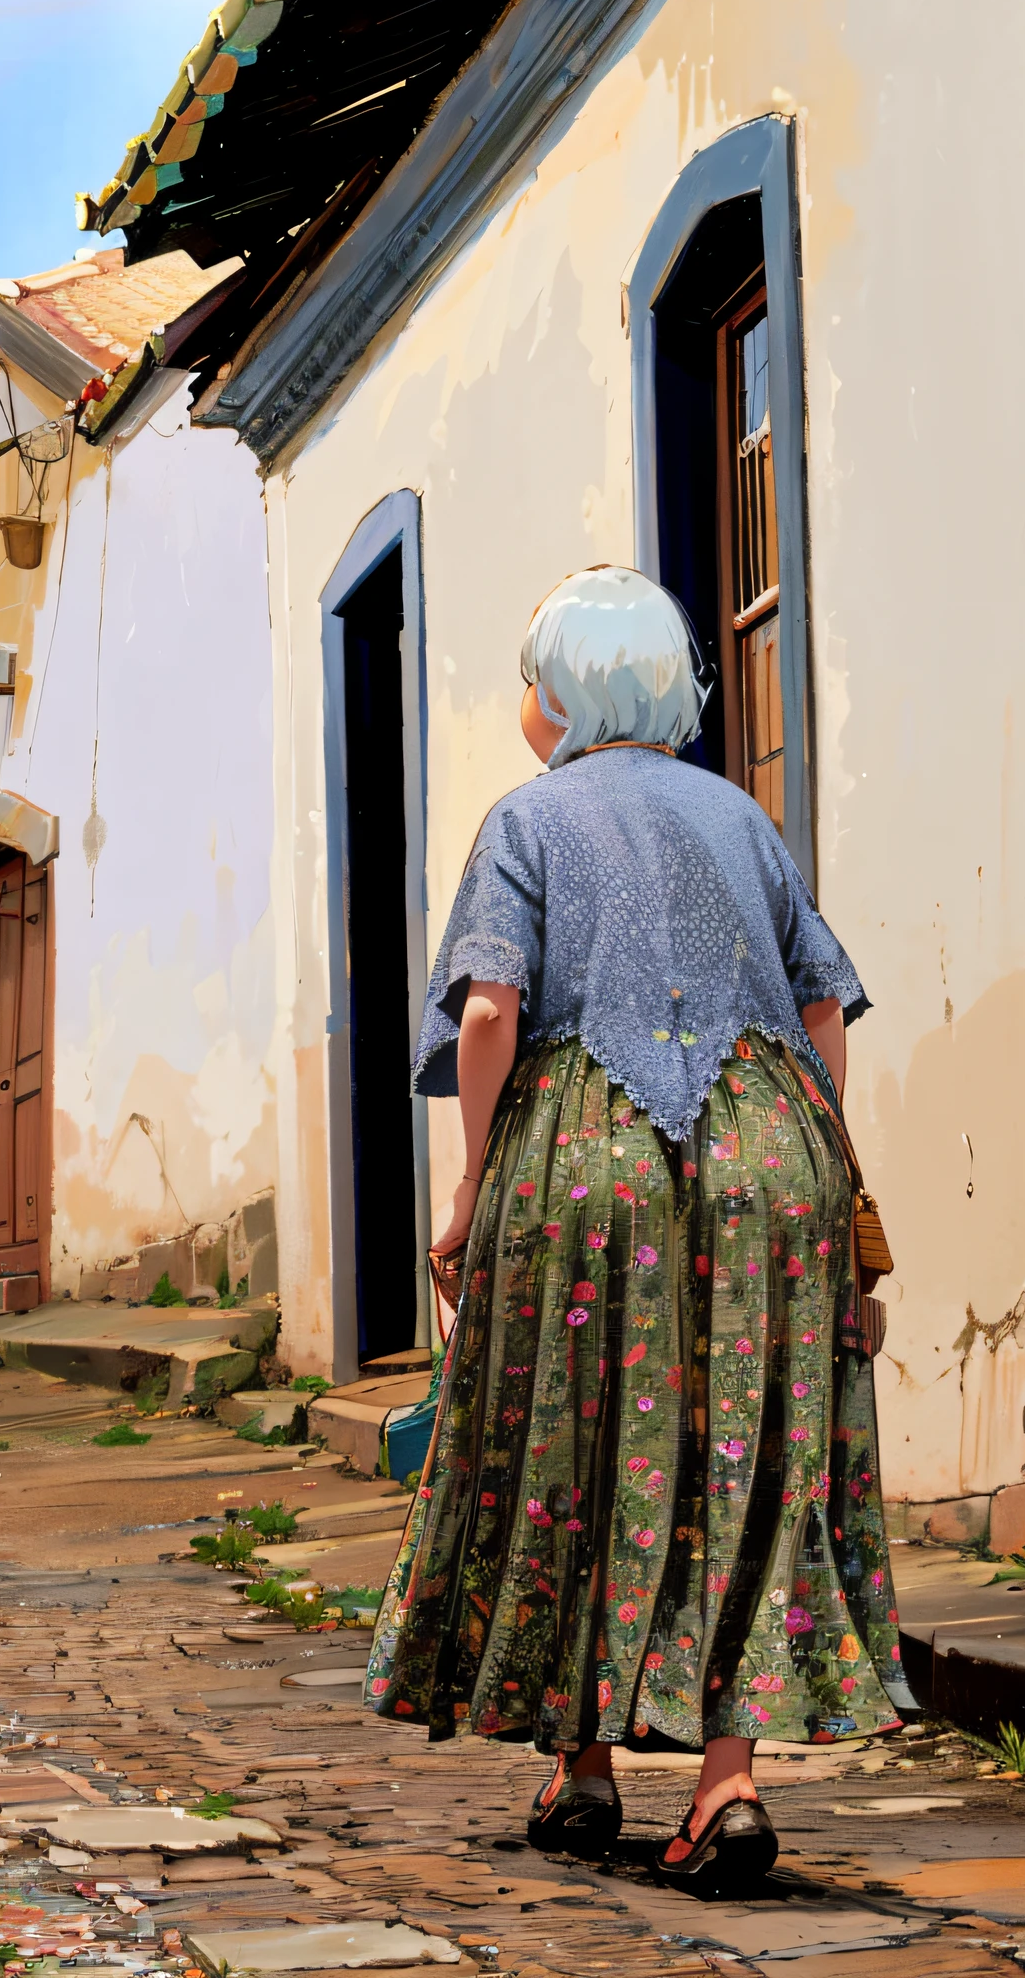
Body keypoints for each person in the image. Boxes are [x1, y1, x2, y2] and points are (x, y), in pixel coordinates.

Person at [363, 565, 913, 1888]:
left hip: (589, 1158)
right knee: (748, 1457)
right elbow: (824, 1009)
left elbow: (490, 1012)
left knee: (578, 1442)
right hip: (770, 1154)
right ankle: (727, 1787)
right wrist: (821, 1187)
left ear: (556, 693)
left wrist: (477, 1188)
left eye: (526, 676)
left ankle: (588, 1768)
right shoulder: (741, 821)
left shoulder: (528, 820)